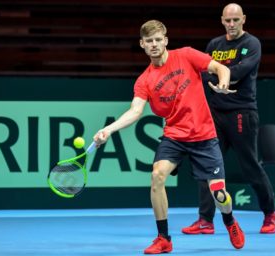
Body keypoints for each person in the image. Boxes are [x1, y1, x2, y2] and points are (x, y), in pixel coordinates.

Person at [93, 19, 245, 254]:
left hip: (204, 137)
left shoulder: (186, 55)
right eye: (149, 41)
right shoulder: (144, 80)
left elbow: (220, 68)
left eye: (157, 40)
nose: (154, 45)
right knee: (157, 176)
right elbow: (135, 111)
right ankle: (163, 238)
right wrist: (109, 129)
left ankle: (230, 221)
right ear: (142, 44)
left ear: (165, 40)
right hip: (174, 136)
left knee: (220, 196)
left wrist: (223, 83)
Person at [181, 3, 275, 236]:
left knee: (250, 166)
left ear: (243, 19)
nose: (232, 24)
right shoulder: (214, 45)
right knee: (209, 166)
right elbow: (204, 73)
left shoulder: (251, 44)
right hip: (214, 113)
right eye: (228, 20)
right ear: (222, 20)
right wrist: (219, 73)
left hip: (241, 113)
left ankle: (270, 214)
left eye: (236, 20)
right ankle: (205, 220)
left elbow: (239, 71)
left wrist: (222, 73)